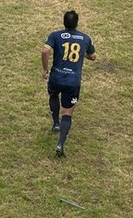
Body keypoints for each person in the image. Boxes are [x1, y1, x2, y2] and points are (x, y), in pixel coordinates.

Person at [41, 10, 96, 157]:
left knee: (53, 95)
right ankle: (60, 144)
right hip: (73, 81)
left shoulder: (55, 35)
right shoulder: (85, 38)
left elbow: (45, 51)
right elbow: (93, 56)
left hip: (56, 77)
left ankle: (55, 123)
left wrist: (45, 69)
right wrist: (83, 52)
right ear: (77, 23)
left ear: (63, 22)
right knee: (68, 112)